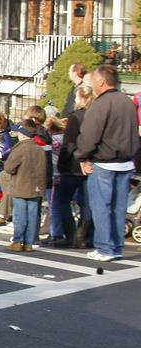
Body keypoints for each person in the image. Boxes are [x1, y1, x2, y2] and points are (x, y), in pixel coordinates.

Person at [75, 65, 141, 262]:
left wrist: (83, 157)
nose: (93, 84)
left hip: (104, 162)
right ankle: (116, 246)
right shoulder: (127, 102)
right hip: (126, 162)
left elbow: (89, 136)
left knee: (101, 207)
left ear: (102, 82)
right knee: (119, 207)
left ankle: (105, 247)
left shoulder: (100, 104)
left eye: (94, 80)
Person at [50, 84, 95, 248]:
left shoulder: (76, 117)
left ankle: (71, 236)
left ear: (81, 98)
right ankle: (85, 237)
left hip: (73, 165)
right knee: (86, 203)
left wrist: (62, 164)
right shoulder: (96, 115)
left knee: (61, 201)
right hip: (91, 163)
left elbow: (69, 143)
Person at [5, 120, 48, 252]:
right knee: (32, 216)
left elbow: (9, 168)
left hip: (20, 188)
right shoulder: (40, 149)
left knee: (20, 217)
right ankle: (29, 243)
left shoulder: (20, 149)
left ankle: (18, 241)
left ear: (22, 134)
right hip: (36, 188)